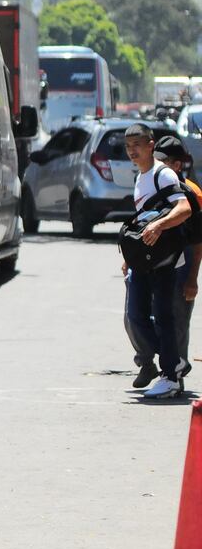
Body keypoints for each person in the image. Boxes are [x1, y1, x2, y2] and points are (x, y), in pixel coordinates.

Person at [121, 123, 192, 399]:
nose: (131, 151)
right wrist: (130, 257)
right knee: (136, 316)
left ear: (151, 145)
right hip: (144, 260)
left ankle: (171, 376)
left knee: (163, 317)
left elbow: (184, 208)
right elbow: (141, 222)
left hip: (164, 260)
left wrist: (159, 225)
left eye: (136, 145)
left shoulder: (163, 175)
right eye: (128, 147)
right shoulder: (141, 176)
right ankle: (173, 361)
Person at [137, 133, 198, 388]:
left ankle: (175, 373)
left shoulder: (192, 193)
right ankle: (152, 362)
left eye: (164, 161)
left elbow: (197, 242)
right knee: (139, 316)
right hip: (152, 263)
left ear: (177, 165)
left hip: (182, 265)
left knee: (176, 318)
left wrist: (192, 279)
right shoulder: (151, 181)